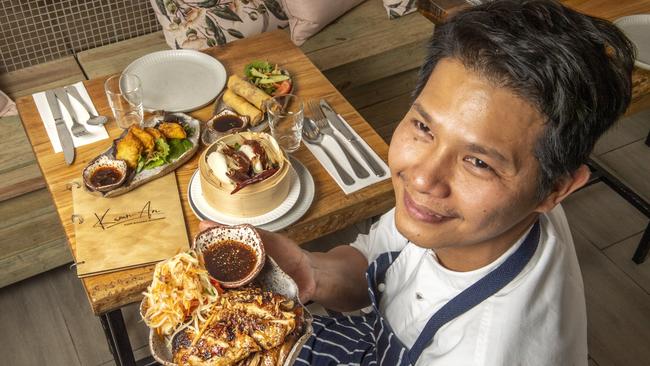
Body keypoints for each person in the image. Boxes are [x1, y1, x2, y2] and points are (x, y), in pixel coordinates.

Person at [202, 0, 635, 364]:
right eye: (425, 128)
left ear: (557, 190)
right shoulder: (471, 212)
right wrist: (307, 272)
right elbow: (376, 255)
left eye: (479, 162)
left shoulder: (491, 351)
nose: (423, 176)